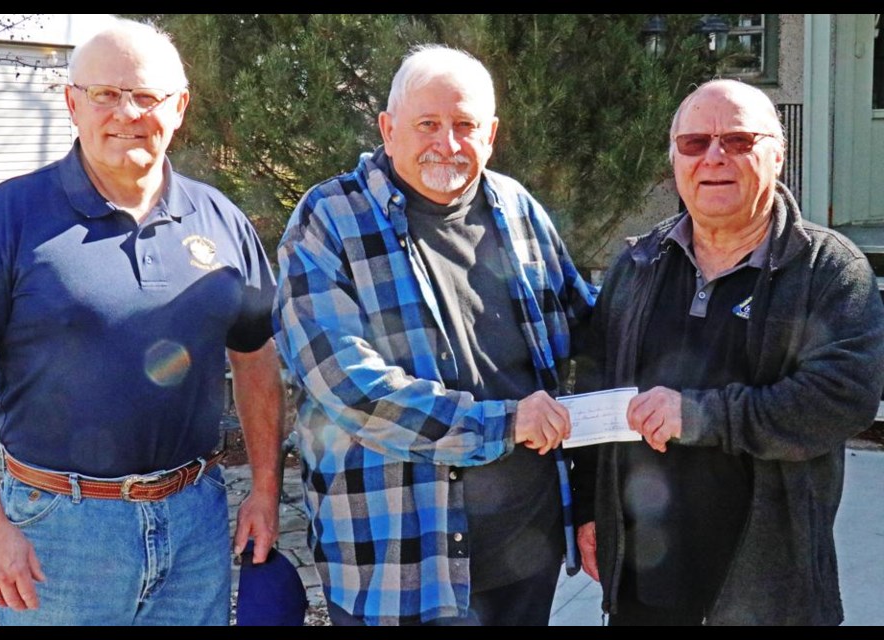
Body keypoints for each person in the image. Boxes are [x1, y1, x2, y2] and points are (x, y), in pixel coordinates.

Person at [0, 18, 283, 626]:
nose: (127, 113)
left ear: (179, 108)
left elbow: (257, 359)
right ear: (72, 103)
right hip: (58, 534)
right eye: (106, 94)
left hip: (195, 523)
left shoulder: (222, 222)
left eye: (147, 96)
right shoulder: (3, 220)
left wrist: (267, 493)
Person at [273, 44, 597, 626]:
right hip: (399, 561)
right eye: (427, 124)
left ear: (491, 133)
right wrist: (503, 423)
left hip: (525, 551)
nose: (446, 144)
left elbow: (586, 331)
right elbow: (348, 387)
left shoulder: (518, 210)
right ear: (388, 128)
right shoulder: (329, 220)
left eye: (464, 125)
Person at [571, 78, 884, 626]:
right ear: (675, 160)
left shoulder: (829, 270)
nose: (714, 156)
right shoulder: (637, 265)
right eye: (694, 143)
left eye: (739, 140)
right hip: (647, 580)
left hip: (768, 584)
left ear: (778, 156)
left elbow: (841, 399)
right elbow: (595, 389)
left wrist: (698, 415)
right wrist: (586, 509)